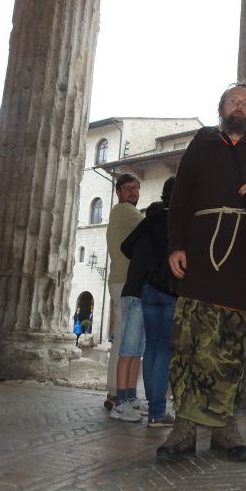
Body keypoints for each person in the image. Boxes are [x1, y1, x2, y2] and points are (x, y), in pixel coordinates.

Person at [157, 82, 246, 463]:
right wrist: (175, 246)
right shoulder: (201, 144)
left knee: (232, 349)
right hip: (199, 257)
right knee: (189, 345)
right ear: (221, 108)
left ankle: (225, 429)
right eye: (234, 100)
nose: (240, 106)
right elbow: (179, 198)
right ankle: (183, 428)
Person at [120, 176, 177, 427]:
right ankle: (157, 411)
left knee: (151, 349)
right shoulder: (179, 221)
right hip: (171, 291)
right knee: (164, 349)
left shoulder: (151, 218)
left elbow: (126, 246)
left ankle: (151, 406)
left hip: (148, 291)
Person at [104, 173, 143, 411]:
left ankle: (124, 392)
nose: (133, 193)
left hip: (125, 281)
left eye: (137, 189)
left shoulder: (128, 214)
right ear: (118, 192)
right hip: (123, 282)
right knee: (123, 340)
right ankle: (114, 392)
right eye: (128, 188)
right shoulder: (123, 211)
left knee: (130, 340)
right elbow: (150, 226)